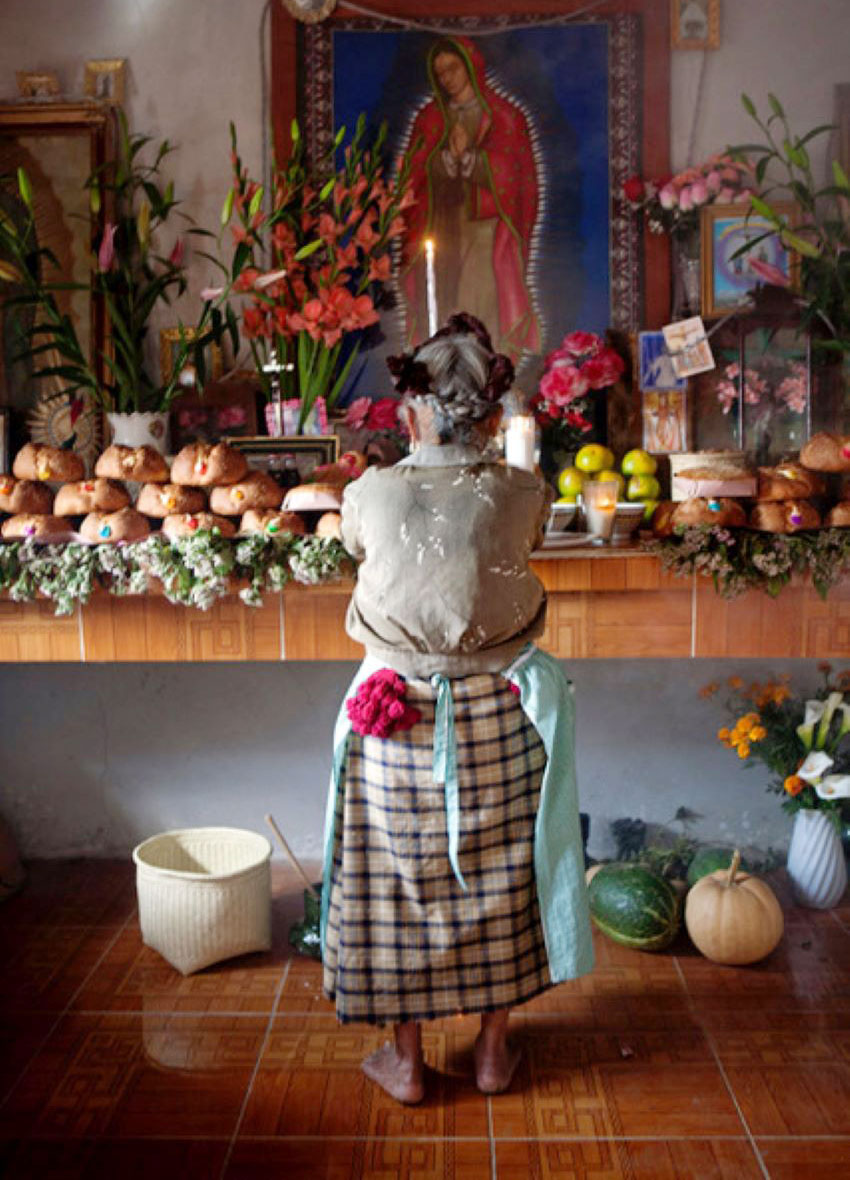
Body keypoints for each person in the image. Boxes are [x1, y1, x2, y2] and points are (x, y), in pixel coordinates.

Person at [321, 313, 593, 1104]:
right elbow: (523, 540)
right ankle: (492, 1054)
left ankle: (406, 1062)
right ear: (491, 414)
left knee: (397, 883)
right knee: (502, 879)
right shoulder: (521, 489)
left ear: (413, 412)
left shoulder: (372, 493)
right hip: (503, 715)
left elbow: (358, 547)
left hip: (396, 715)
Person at [399, 38, 542, 363]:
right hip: (442, 227)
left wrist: (474, 161)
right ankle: (446, 377)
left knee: (480, 300)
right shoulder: (430, 117)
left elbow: (518, 178)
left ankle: (486, 378)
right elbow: (414, 172)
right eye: (441, 73)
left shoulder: (505, 116)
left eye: (452, 68)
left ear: (470, 66)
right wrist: (446, 158)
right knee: (444, 302)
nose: (447, 78)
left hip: (486, 229)